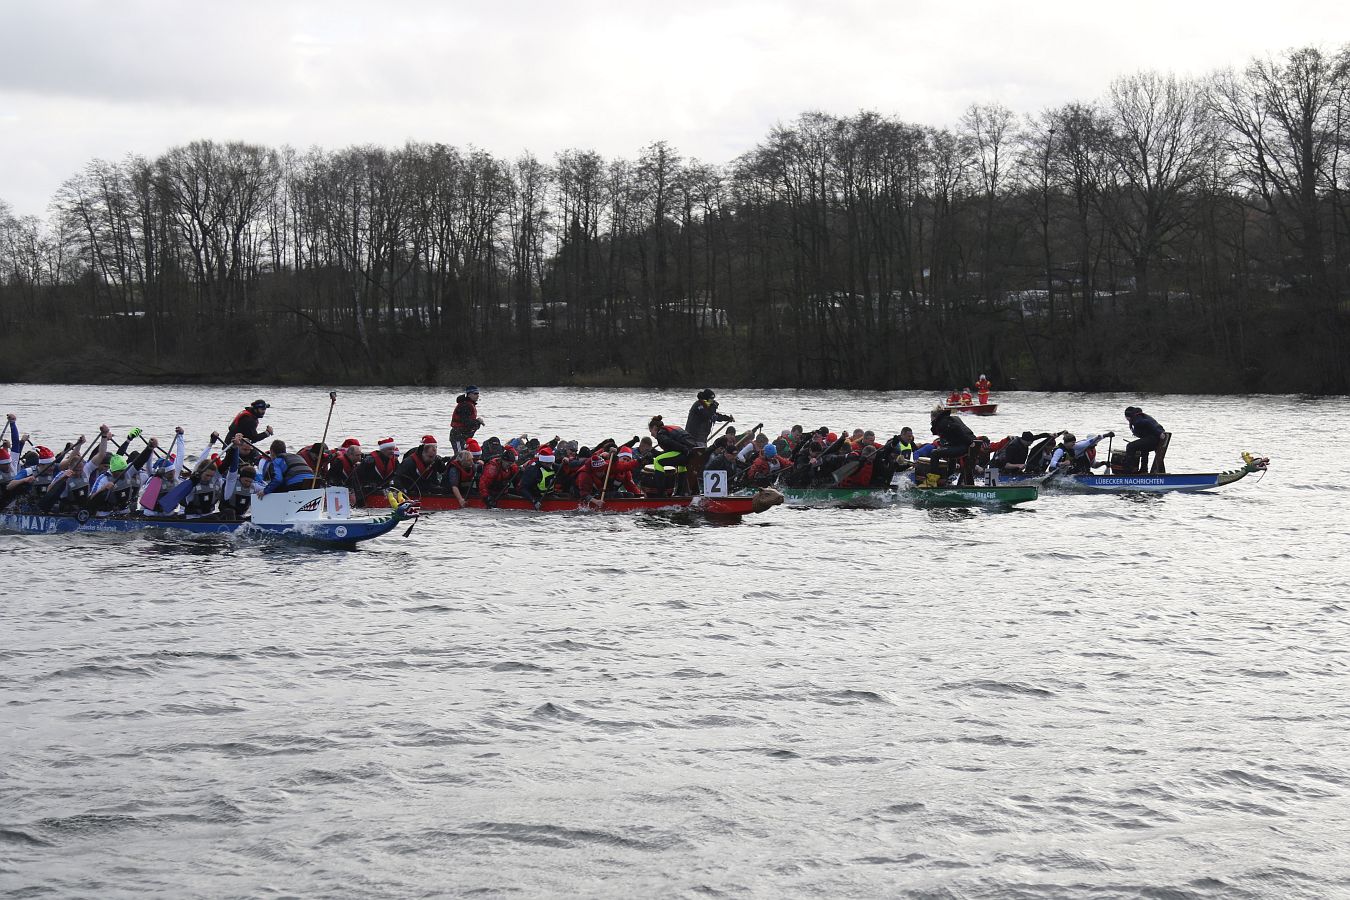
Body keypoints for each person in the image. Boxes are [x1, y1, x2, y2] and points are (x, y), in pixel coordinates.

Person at [926, 407, 977, 484]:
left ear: (934, 417)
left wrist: (970, 442)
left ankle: (933, 480)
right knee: (948, 450)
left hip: (966, 445)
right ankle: (950, 476)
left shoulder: (943, 422)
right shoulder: (951, 418)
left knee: (934, 453)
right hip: (966, 444)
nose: (930, 420)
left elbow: (957, 429)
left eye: (931, 418)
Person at [648, 415, 698, 493]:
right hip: (693, 451)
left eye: (651, 431)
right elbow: (671, 453)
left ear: (654, 428)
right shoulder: (667, 430)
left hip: (686, 451)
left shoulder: (660, 434)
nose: (651, 434)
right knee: (681, 466)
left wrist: (685, 450)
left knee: (657, 461)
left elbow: (671, 442)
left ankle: (661, 493)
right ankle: (680, 493)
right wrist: (655, 452)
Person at [355, 437, 400, 501]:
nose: (392, 452)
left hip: (386, 491)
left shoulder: (395, 461)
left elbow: (398, 476)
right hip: (369, 491)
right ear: (382, 450)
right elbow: (358, 476)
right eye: (390, 449)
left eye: (393, 449)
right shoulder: (370, 460)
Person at [1124, 406, 1166, 473]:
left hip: (1155, 438)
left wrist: (1159, 433)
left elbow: (1147, 423)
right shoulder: (1140, 416)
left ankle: (1128, 471)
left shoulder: (1136, 419)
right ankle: (1143, 470)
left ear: (1127, 417)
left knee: (1130, 446)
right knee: (1143, 447)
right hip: (1156, 439)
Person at [517, 443, 557, 510]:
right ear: (543, 461)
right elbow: (522, 488)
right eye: (548, 463)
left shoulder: (553, 466)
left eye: (551, 463)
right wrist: (534, 501)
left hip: (548, 495)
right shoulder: (533, 470)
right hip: (534, 496)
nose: (550, 465)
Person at [1048, 431, 1112, 474]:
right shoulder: (1061, 450)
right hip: (1058, 472)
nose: (1074, 444)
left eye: (1074, 442)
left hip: (1080, 473)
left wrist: (1103, 463)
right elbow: (1052, 463)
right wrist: (1061, 463)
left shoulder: (1092, 451)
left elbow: (1093, 465)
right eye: (1073, 442)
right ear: (1067, 442)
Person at [450, 386, 484, 453]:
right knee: (460, 455)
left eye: (478, 393)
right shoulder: (465, 405)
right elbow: (466, 422)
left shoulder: (469, 404)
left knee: (465, 455)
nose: (477, 395)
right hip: (458, 436)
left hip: (464, 436)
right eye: (475, 393)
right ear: (469, 394)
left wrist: (477, 422)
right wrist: (478, 421)